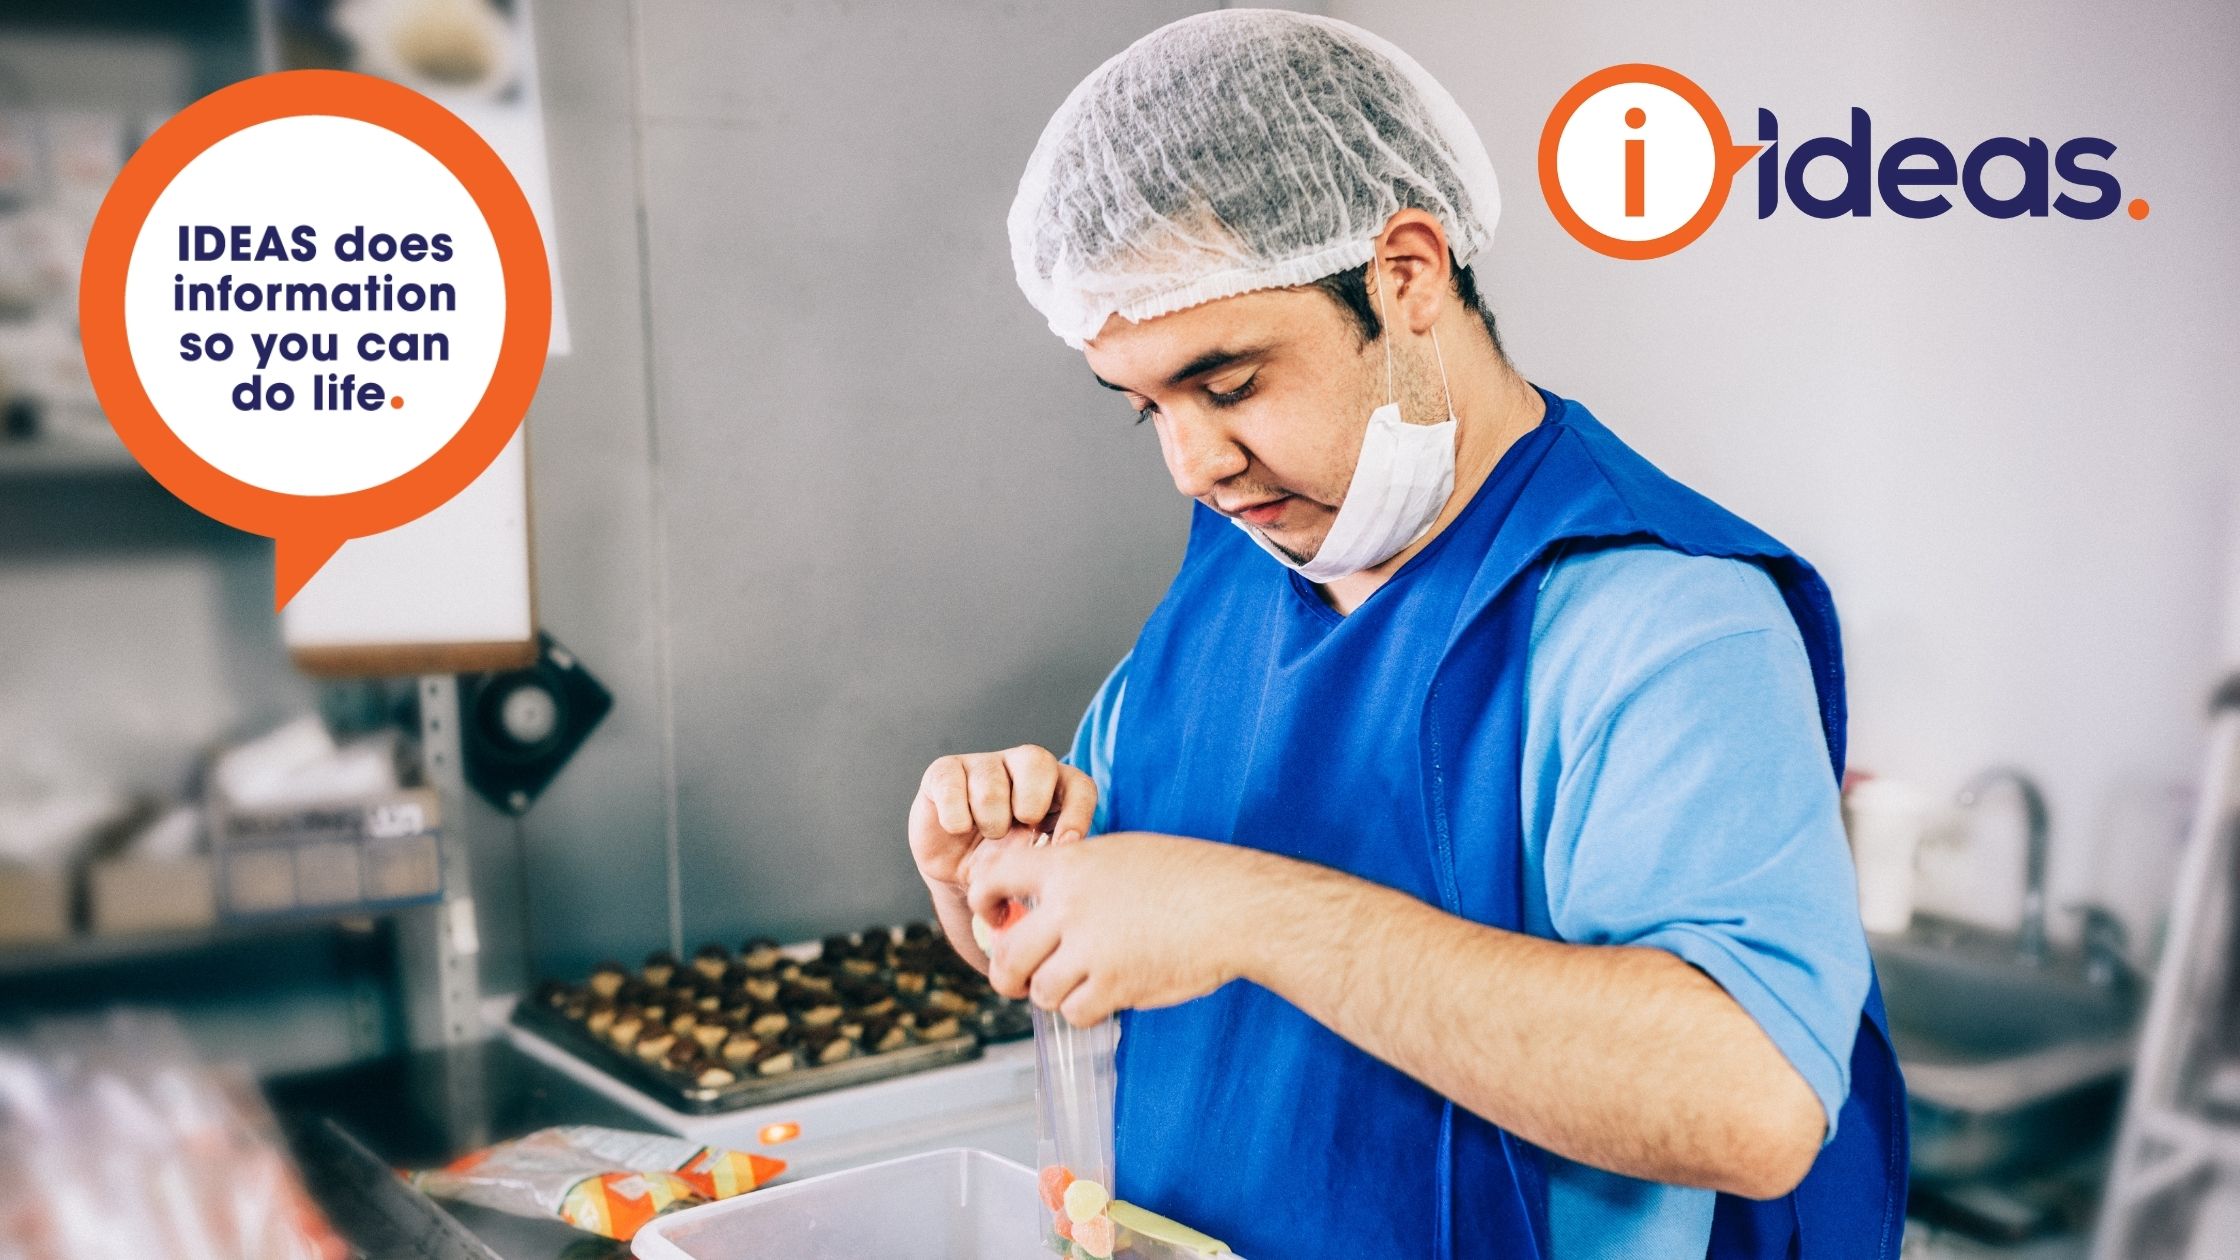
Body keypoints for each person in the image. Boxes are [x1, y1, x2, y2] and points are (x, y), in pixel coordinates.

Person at [904, 12, 1906, 1258]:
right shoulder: (1233, 582)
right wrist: (997, 885)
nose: (1194, 465)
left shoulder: (1657, 622)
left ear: (1407, 275)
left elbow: (1753, 1102)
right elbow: (1115, 941)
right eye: (1144, 409)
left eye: (1229, 385)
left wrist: (1249, 914)